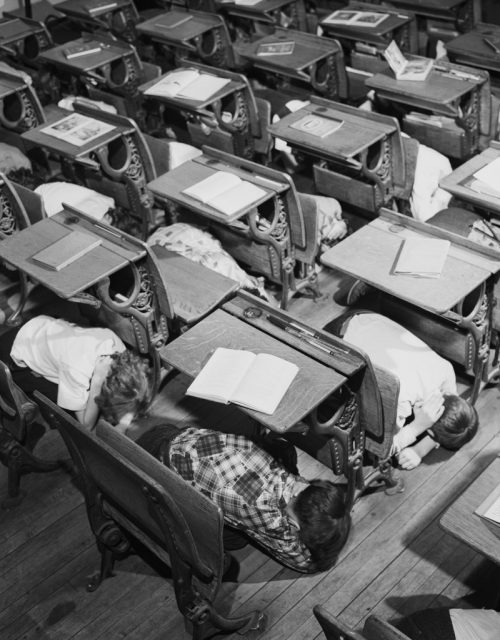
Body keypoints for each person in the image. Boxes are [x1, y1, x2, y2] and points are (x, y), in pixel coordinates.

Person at [135, 424, 351, 573]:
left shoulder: (277, 471)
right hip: (151, 471)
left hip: (166, 437)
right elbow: (302, 562)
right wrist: (325, 560)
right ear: (293, 525)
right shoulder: (269, 518)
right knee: (235, 540)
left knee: (285, 451)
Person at [327, 311, 478, 469]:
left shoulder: (446, 370)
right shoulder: (400, 401)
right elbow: (381, 449)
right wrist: (416, 428)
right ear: (430, 431)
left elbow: (450, 407)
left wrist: (422, 447)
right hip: (334, 338)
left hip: (365, 315)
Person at [4, 314, 152, 430]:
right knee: (70, 417)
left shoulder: (114, 343)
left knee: (85, 402)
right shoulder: (77, 368)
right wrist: (96, 383)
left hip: (40, 325)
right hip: (16, 353)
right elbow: (86, 426)